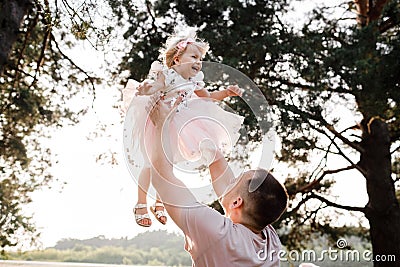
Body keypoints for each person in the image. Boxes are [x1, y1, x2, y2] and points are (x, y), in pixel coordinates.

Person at [122, 31, 244, 227]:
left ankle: (160, 202)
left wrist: (227, 93)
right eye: (194, 57)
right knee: (151, 163)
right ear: (177, 59)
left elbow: (208, 97)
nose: (199, 62)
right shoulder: (167, 74)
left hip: (180, 124)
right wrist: (147, 89)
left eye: (201, 59)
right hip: (158, 120)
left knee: (167, 165)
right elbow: (156, 86)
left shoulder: (195, 82)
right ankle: (141, 203)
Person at [147, 98, 289, 266]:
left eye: (236, 180)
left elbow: (162, 176)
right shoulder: (269, 237)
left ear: (237, 202)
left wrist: (161, 124)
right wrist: (192, 128)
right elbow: (218, 165)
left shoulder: (217, 233)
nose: (232, 179)